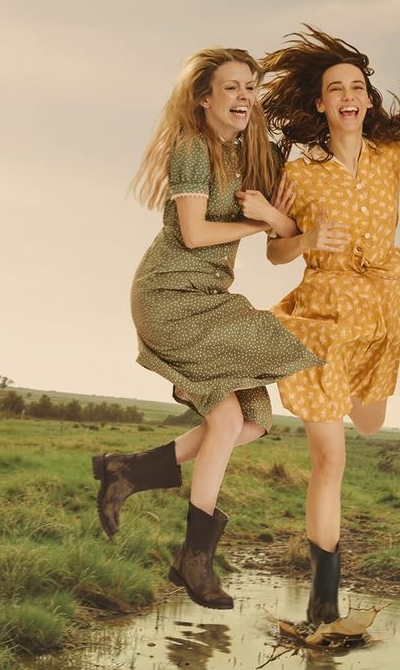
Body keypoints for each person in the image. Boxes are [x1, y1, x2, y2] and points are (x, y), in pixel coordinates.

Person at [259, 27, 400, 625]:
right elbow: (275, 253)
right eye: (337, 89)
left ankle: (362, 401)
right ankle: (324, 599)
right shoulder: (300, 173)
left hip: (380, 309)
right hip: (323, 316)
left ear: (366, 98)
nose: (349, 96)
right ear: (320, 104)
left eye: (357, 86)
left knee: (370, 420)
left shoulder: (390, 153)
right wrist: (307, 238)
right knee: (329, 459)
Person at [91, 47, 321, 610]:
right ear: (204, 98)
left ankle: (128, 471)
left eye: (250, 88)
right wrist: (254, 219)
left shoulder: (248, 158)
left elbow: (284, 233)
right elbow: (193, 233)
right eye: (231, 88)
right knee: (241, 401)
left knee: (249, 421)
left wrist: (272, 217)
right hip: (170, 295)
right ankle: (194, 560)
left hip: (209, 299)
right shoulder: (193, 150)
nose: (244, 97)